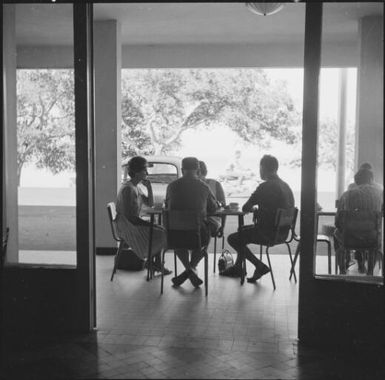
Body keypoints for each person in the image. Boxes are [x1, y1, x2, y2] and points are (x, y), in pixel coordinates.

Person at [221, 154, 295, 283]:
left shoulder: (265, 186)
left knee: (233, 238)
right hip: (283, 233)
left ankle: (259, 265)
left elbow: (245, 207)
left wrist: (254, 209)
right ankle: (239, 267)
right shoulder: (286, 186)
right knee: (242, 231)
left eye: (260, 168)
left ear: (263, 168)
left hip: (267, 233)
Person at [165, 157, 219, 288]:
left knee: (179, 239)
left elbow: (167, 205)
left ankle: (188, 270)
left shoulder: (171, 186)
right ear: (198, 170)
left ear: (182, 170)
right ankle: (191, 269)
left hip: (174, 235)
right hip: (197, 235)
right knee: (209, 231)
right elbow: (213, 208)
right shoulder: (203, 187)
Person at [116, 156, 171, 275]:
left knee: (161, 230)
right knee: (162, 232)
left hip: (131, 223)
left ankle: (154, 262)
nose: (147, 172)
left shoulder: (135, 187)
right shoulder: (128, 190)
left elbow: (150, 204)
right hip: (127, 227)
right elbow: (130, 217)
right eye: (144, 170)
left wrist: (149, 187)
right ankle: (155, 263)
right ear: (136, 172)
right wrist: (150, 225)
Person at [334, 168, 383, 274]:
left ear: (356, 181)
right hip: (372, 239)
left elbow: (337, 222)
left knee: (336, 234)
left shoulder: (346, 195)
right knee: (375, 238)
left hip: (349, 238)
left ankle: (342, 272)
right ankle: (370, 272)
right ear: (371, 180)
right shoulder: (380, 195)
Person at [199, 160, 226, 237]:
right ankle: (202, 248)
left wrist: (222, 227)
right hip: (208, 220)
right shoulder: (215, 184)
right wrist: (222, 227)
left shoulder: (215, 184)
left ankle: (201, 248)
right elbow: (223, 207)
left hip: (202, 220)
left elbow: (223, 206)